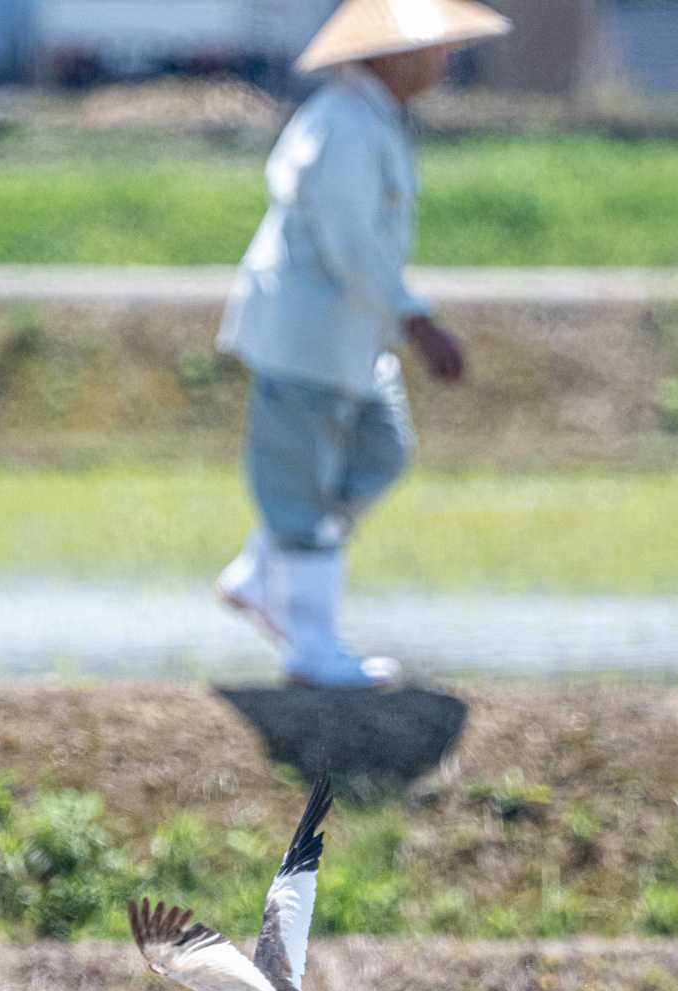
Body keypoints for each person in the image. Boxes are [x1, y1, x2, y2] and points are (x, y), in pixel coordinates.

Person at [214, 0, 512, 688]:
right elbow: (349, 242)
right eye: (432, 47)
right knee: (300, 488)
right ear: (390, 55)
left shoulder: (373, 119)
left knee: (381, 450)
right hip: (306, 335)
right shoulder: (344, 125)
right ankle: (310, 645)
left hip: (349, 338)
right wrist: (418, 319)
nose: (443, 59)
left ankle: (263, 571)